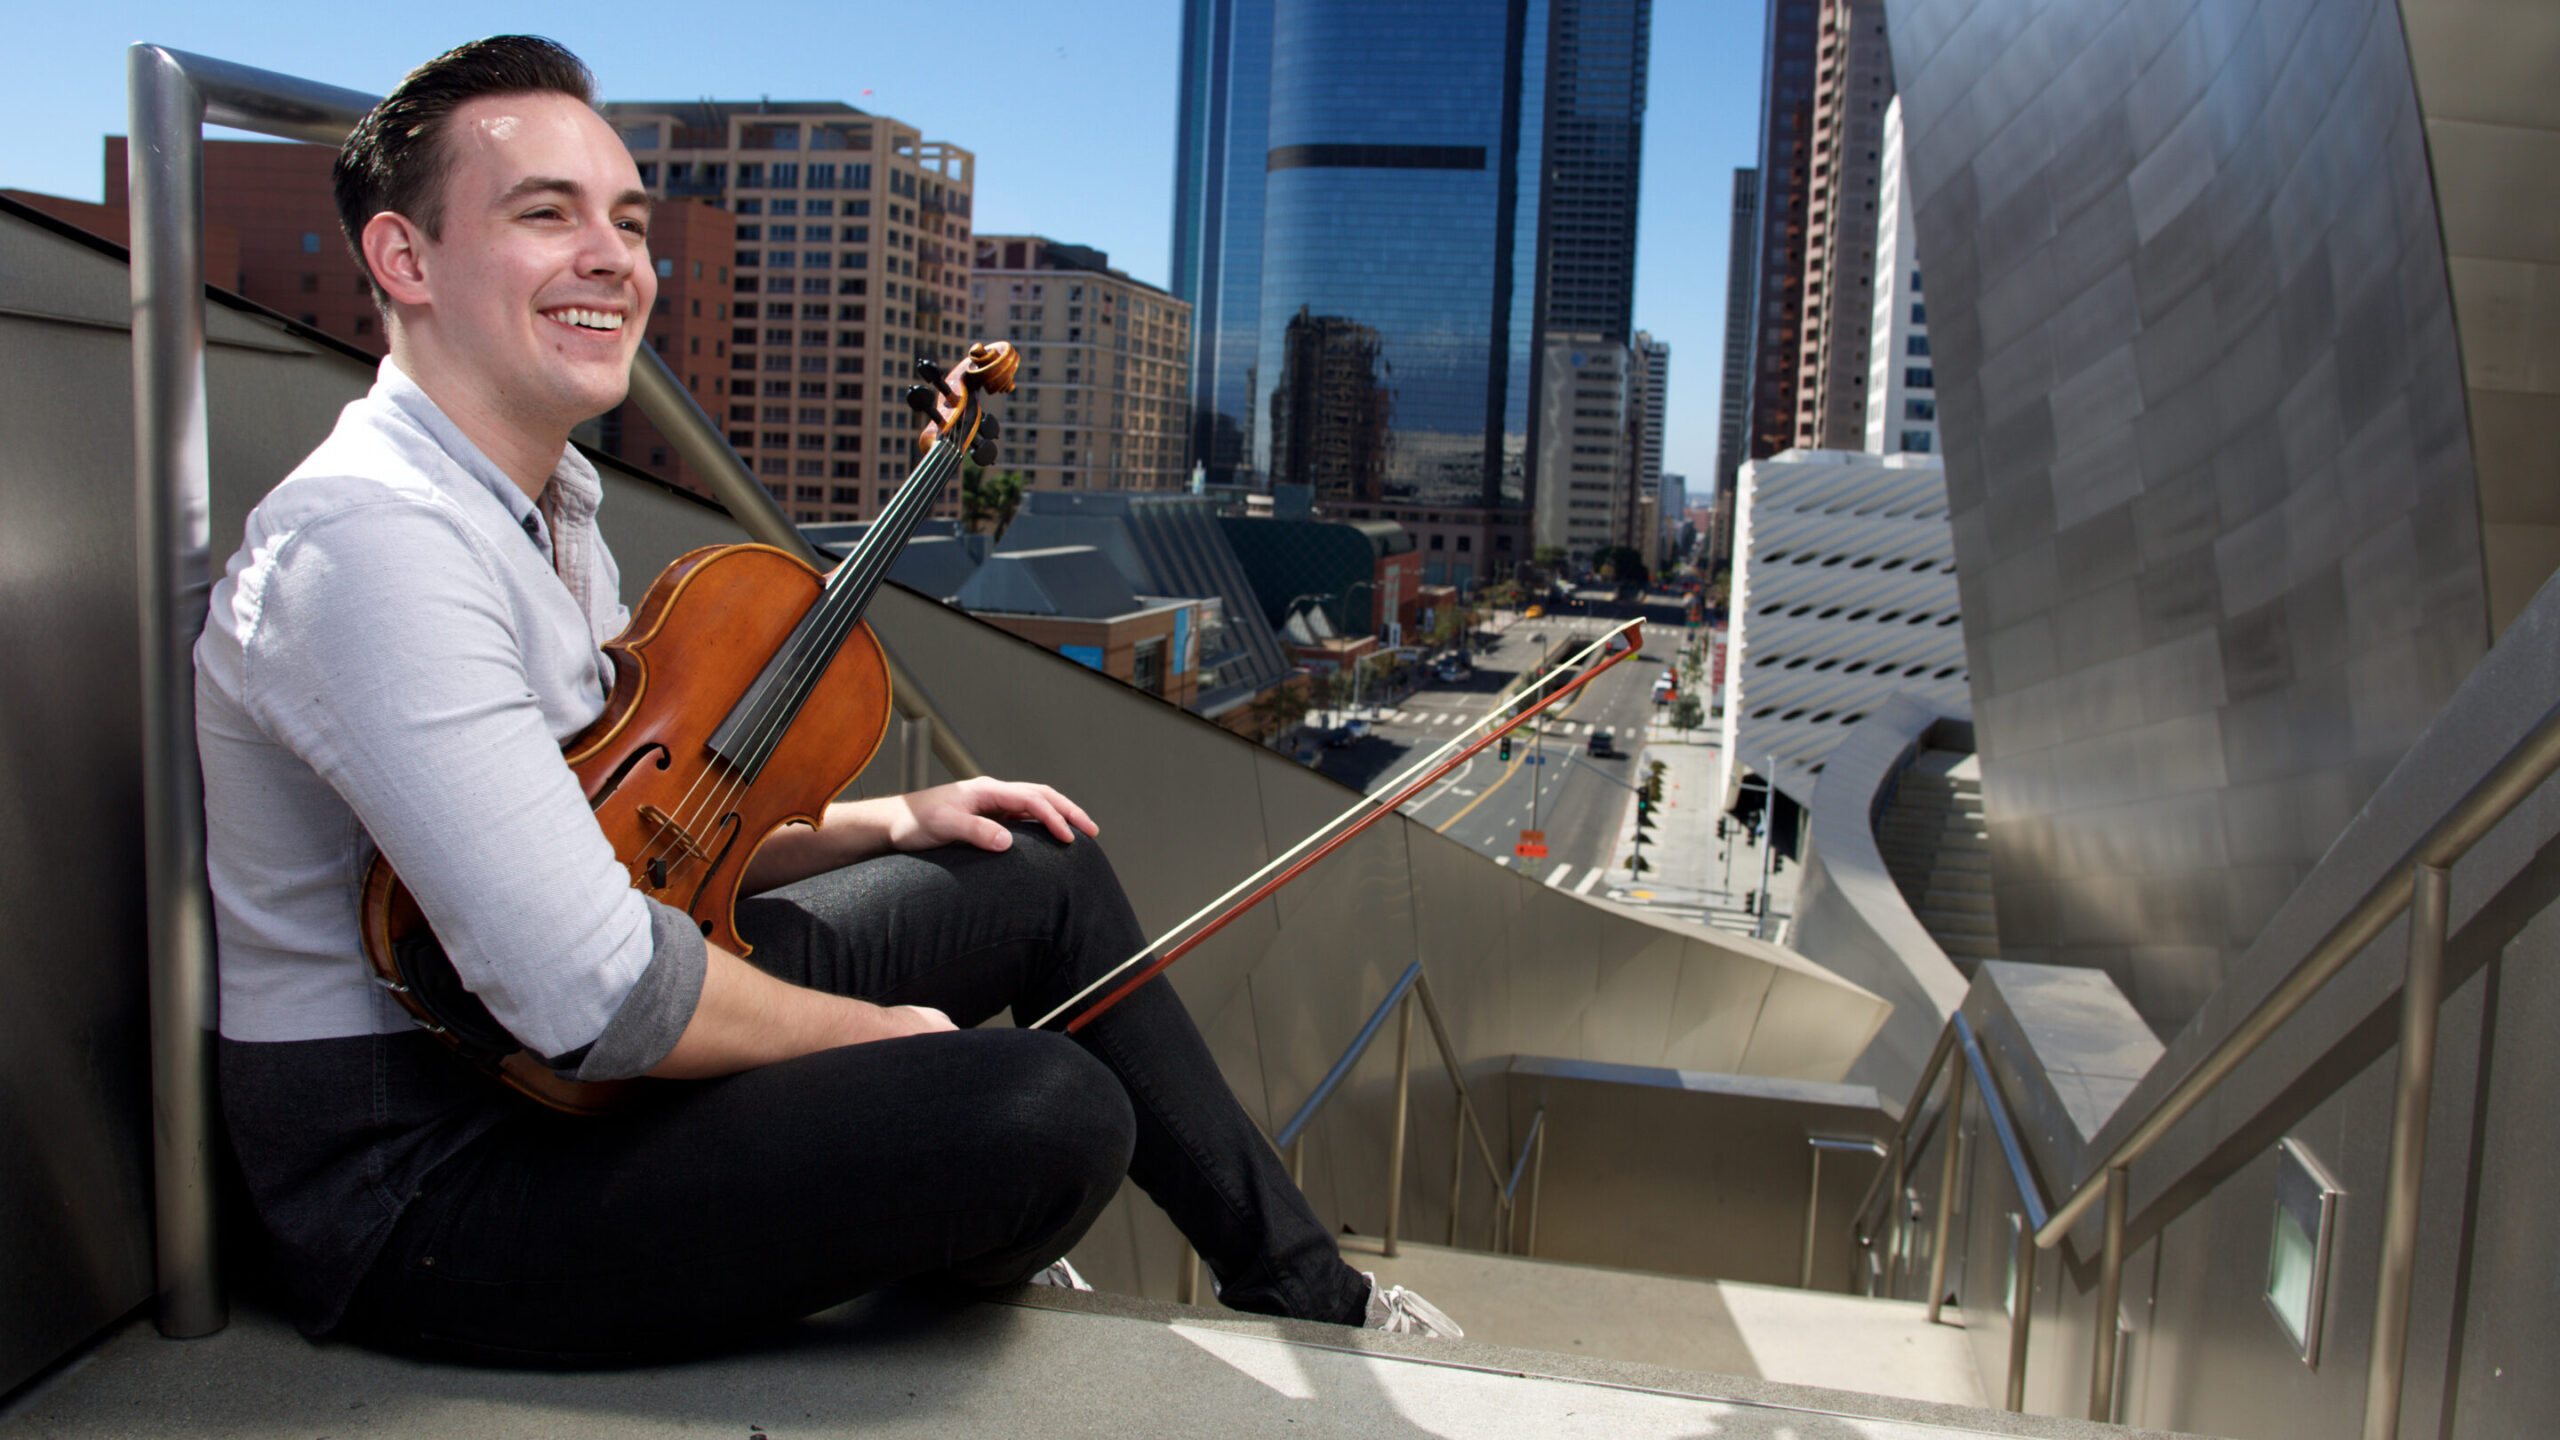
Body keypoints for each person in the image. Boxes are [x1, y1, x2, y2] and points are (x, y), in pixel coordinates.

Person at [196, 35, 1454, 1365]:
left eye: (627, 219)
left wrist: (896, 817)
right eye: (543, 213)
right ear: (404, 261)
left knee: (1038, 869)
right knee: (1050, 1110)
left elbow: (635, 838)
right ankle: (927, 1197)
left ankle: (1310, 1294)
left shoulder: (541, 504)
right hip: (432, 1176)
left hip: (557, 1068)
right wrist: (881, 1045)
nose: (616, 258)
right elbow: (593, 990)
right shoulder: (373, 547)